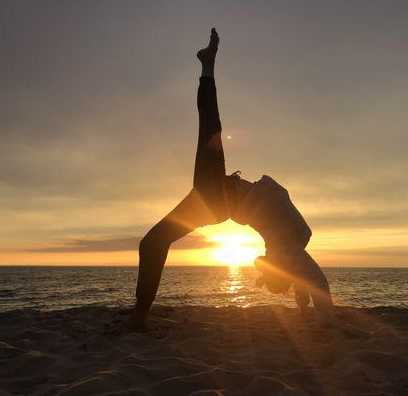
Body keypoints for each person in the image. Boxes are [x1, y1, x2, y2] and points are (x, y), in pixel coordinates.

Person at [129, 29, 333, 330]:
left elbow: (308, 278)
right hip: (220, 196)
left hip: (218, 197)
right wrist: (307, 309)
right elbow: (310, 280)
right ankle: (207, 66)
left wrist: (324, 322)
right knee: (153, 242)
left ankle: (139, 318)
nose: (262, 261)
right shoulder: (291, 247)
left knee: (210, 128)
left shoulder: (288, 248)